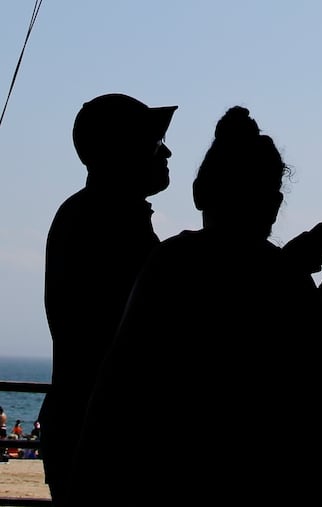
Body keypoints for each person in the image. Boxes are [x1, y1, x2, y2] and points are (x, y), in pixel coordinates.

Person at [67, 106, 322, 506]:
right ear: (275, 203)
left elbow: (118, 379)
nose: (167, 153)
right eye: (157, 143)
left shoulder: (169, 261)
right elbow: (312, 406)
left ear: (199, 193)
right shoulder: (289, 283)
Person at [38, 92, 178, 507]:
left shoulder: (86, 215)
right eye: (154, 143)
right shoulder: (112, 226)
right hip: (108, 433)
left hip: (82, 426)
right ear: (123, 152)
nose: (166, 151)